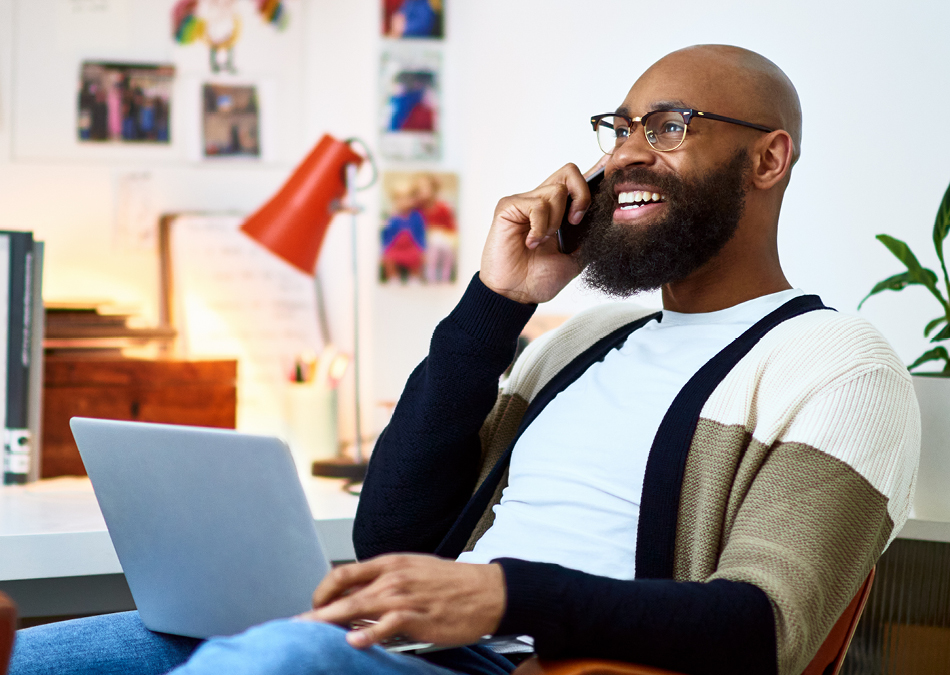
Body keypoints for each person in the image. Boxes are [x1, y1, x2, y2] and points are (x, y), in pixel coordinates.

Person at [10, 44, 919, 675]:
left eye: (672, 125)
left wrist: (498, 596)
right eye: (621, 126)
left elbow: (765, 630)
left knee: (279, 657)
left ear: (769, 158)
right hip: (402, 645)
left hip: (518, 662)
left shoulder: (836, 365)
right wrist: (497, 301)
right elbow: (392, 535)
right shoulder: (578, 342)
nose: (628, 154)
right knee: (34, 652)